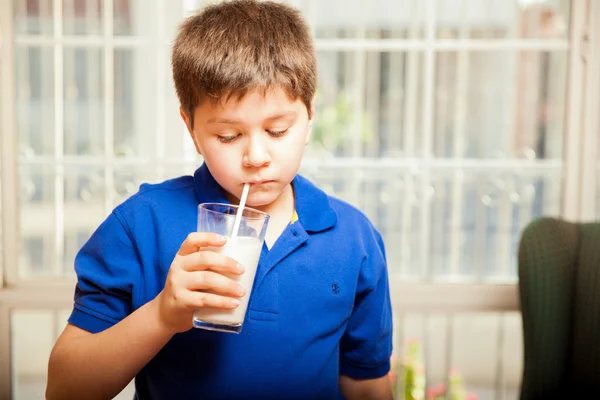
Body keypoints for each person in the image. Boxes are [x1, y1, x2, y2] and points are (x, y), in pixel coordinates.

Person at [46, 1, 393, 399]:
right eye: (229, 136)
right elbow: (63, 390)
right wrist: (162, 315)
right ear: (191, 128)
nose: (257, 157)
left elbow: (366, 386)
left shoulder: (354, 239)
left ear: (310, 117)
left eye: (278, 130)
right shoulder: (140, 225)